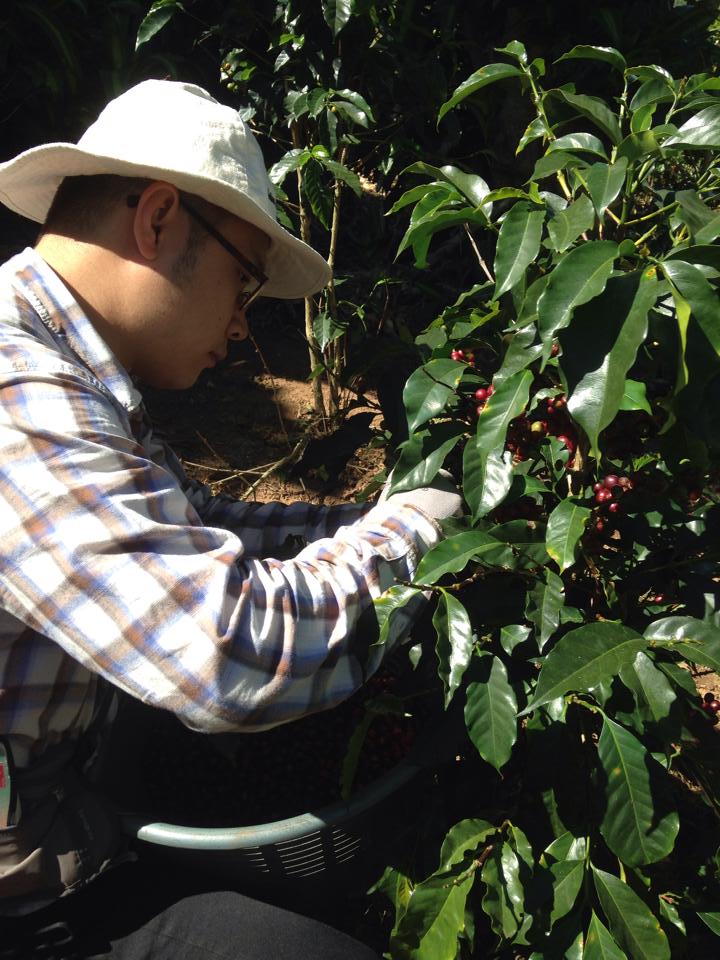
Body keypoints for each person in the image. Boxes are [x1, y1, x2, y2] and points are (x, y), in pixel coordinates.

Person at [0, 80, 461, 957]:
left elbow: (199, 519)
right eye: (242, 283)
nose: (245, 329)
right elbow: (224, 649)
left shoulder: (67, 370)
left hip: (60, 805)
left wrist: (368, 515)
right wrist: (412, 533)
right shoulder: (18, 400)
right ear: (160, 219)